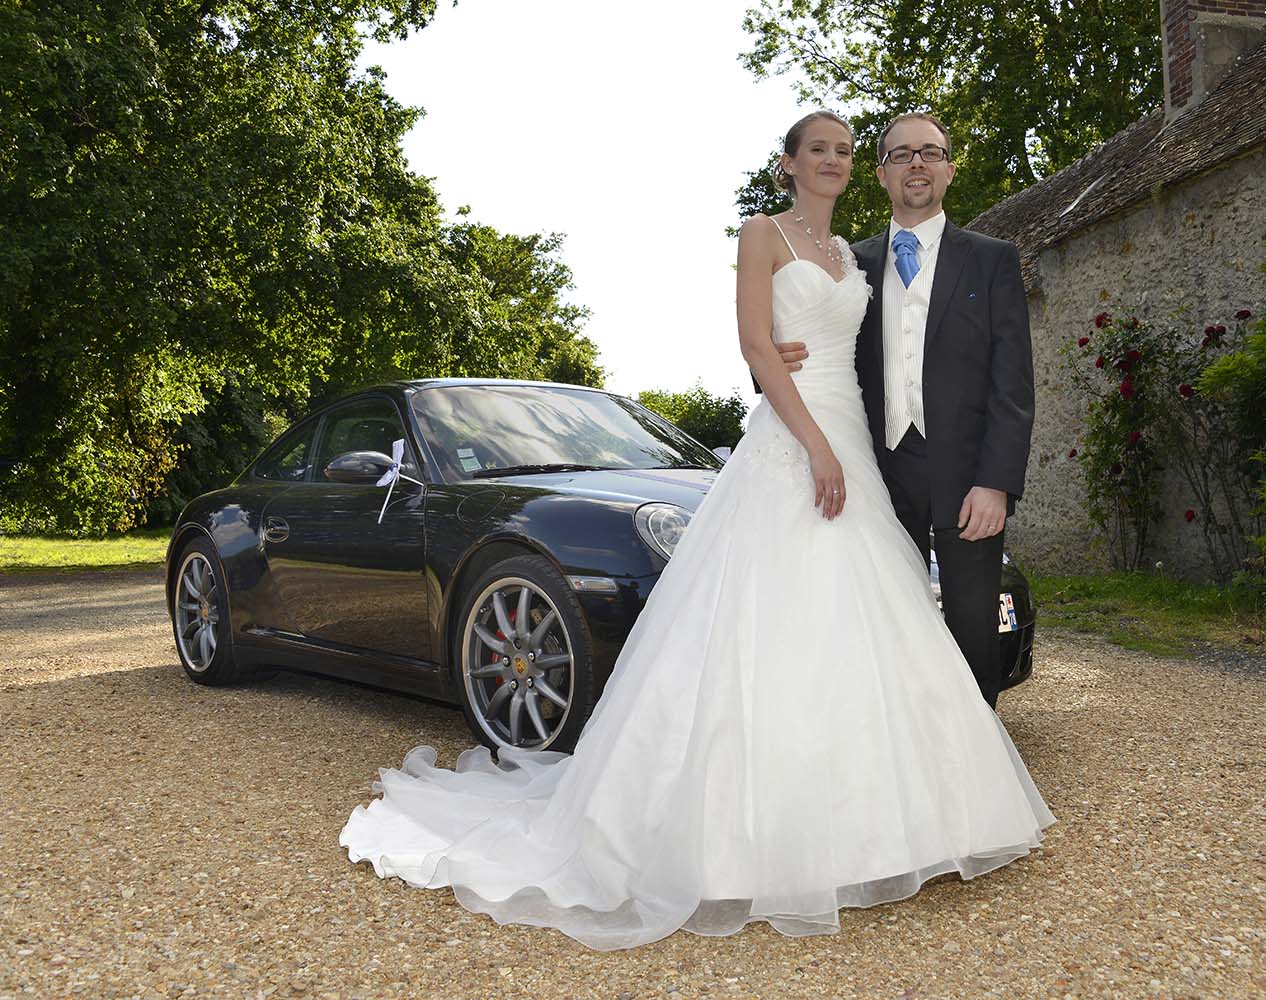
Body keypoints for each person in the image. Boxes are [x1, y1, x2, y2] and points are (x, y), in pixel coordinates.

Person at [339, 111, 1054, 952]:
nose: (849, 162)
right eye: (831, 151)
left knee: (912, 627)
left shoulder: (887, 258)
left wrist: (985, 477)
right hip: (811, 449)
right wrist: (791, 401)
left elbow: (981, 376)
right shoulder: (788, 239)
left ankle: (945, 809)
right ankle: (773, 833)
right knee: (776, 625)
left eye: (854, 152)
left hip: (884, 455)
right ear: (791, 165)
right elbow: (759, 341)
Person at [774, 112, 1035, 706]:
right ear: (882, 174)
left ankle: (973, 773)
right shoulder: (848, 263)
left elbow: (1012, 383)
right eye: (902, 154)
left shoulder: (992, 260)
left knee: (973, 630)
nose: (917, 163)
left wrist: (996, 482)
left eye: (930, 152)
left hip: (968, 479)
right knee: (883, 625)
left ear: (948, 168)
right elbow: (792, 336)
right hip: (876, 471)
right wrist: (778, 354)